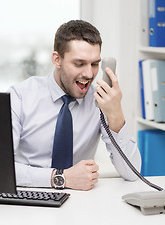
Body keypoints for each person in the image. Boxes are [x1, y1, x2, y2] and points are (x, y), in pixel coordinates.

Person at [9, 20, 141, 191]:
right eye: (79, 64)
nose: (88, 74)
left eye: (94, 64)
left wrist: (115, 113)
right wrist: (60, 178)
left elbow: (132, 173)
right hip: (29, 196)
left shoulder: (100, 101)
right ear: (57, 60)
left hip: (79, 201)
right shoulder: (20, 96)